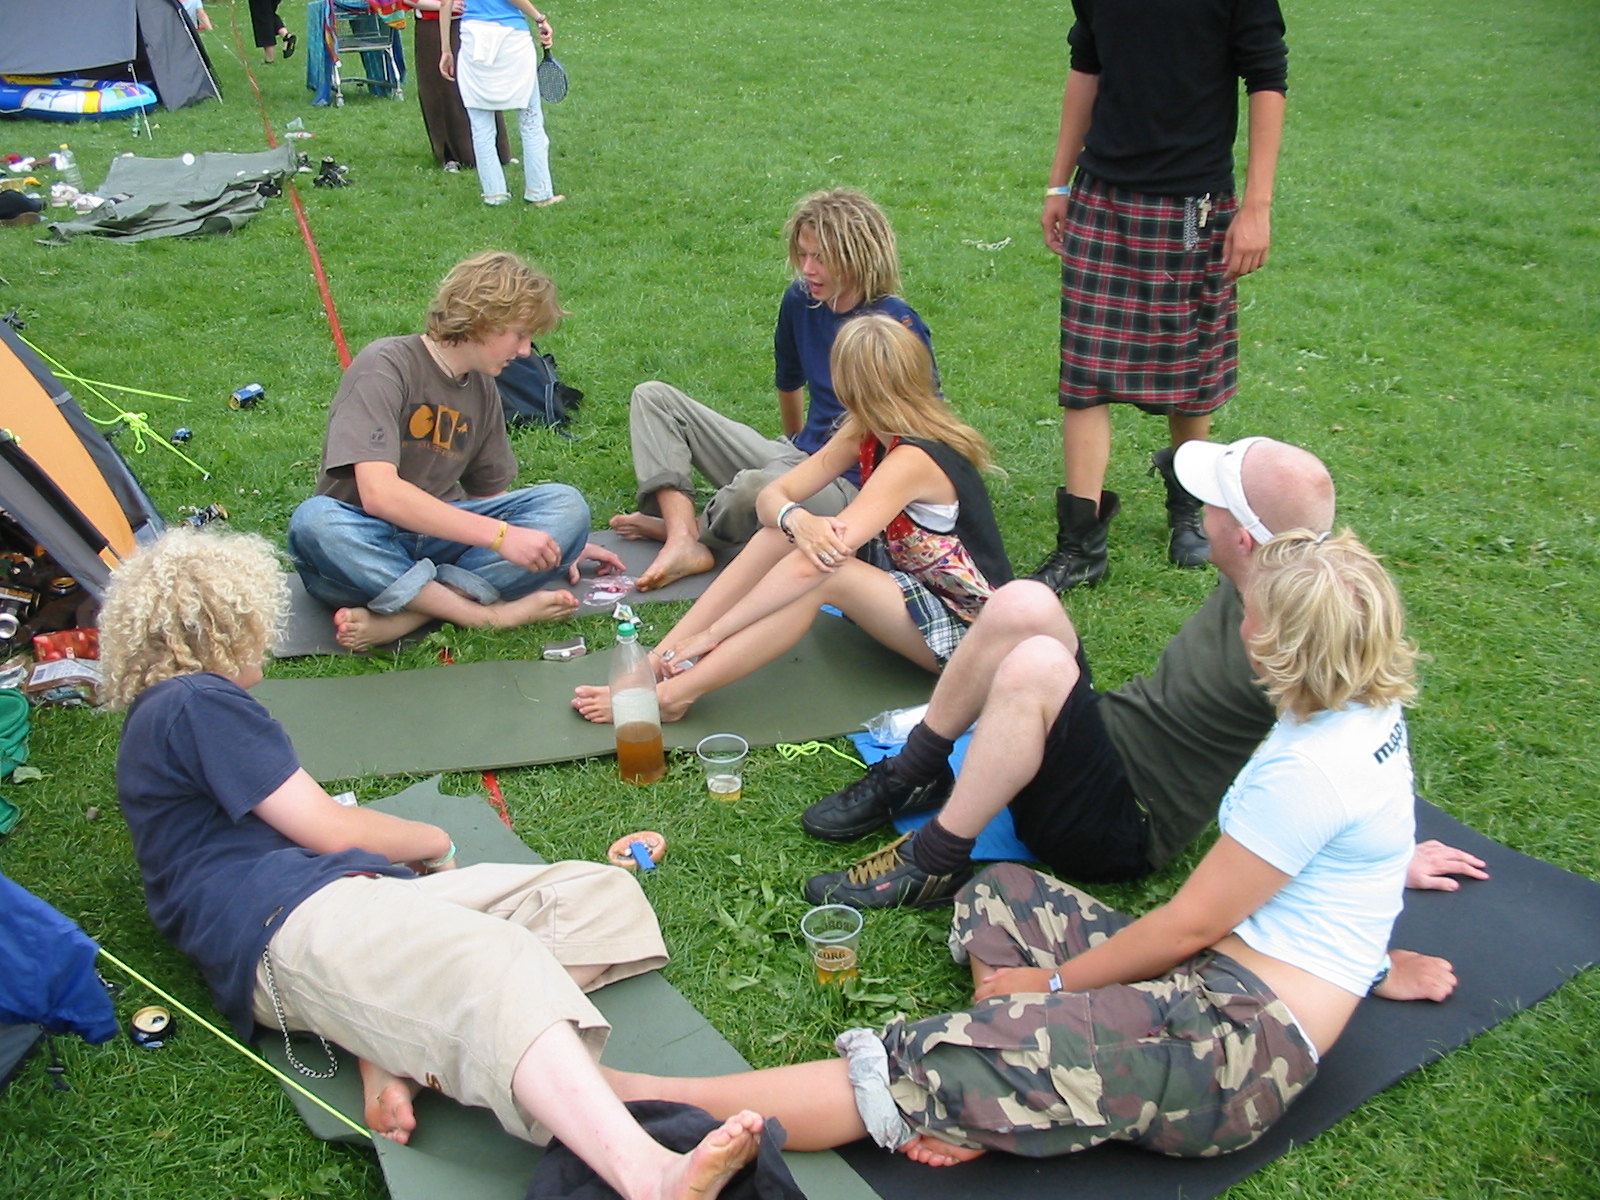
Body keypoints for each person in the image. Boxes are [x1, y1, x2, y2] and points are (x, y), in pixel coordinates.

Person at [603, 531, 1457, 1165]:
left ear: (1282, 640)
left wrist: (1050, 987)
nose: (1242, 615)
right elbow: (1342, 866)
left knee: (922, 1060)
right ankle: (1011, 1085)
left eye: (1257, 608)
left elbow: (1183, 929)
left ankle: (649, 1101)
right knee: (1000, 890)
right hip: (1225, 977)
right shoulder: (1366, 707)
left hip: (1232, 1052)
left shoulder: (1306, 770)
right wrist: (1376, 952)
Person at [100, 527, 764, 1200]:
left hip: (338, 899)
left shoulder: (183, 713)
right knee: (493, 958)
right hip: (286, 923)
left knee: (599, 895)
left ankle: (404, 1044)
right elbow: (327, 826)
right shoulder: (195, 701)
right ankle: (649, 1176)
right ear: (228, 628)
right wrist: (431, 841)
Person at [803, 437, 1488, 909]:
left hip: (1118, 826)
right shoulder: (1272, 567)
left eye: (1212, 502)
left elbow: (1350, 751)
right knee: (1024, 604)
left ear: (1243, 537)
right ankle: (914, 771)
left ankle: (935, 858)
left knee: (1038, 663)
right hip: (1106, 744)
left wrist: (1388, 860)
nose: (1197, 511)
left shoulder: (1296, 632)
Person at [573, 313, 1010, 724]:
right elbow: (772, 497)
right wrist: (794, 520)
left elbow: (817, 564)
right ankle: (656, 664)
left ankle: (674, 696)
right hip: (913, 592)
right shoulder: (867, 428)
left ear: (846, 385)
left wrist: (714, 634)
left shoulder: (913, 459)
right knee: (778, 536)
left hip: (971, 637)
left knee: (824, 574)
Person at [1029, 0, 1288, 592]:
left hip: (1194, 201)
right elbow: (1086, 67)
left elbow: (1267, 79)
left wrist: (1257, 206)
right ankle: (1080, 545)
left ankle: (1187, 509)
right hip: (1102, 193)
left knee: (1189, 369)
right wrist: (1058, 183)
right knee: (1085, 370)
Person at [287, 251, 622, 652]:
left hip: (440, 540)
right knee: (314, 520)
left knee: (567, 505)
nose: (525, 351)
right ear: (484, 320)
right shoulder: (385, 365)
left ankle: (413, 614)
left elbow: (489, 498)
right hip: (362, 552)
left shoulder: (483, 388)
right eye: (519, 335)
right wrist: (503, 537)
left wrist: (556, 543)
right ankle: (481, 615)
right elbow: (379, 495)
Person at [609, 189, 935, 592]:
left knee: (755, 487)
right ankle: (683, 535)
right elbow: (789, 378)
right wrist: (792, 446)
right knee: (654, 397)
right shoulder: (801, 299)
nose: (808, 269)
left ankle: (690, 531)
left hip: (852, 486)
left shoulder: (896, 326)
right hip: (802, 457)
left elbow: (923, 431)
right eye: (803, 255)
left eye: (821, 258)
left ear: (858, 258)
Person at [440, 0, 562, 206]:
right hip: (511, 37)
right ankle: (540, 192)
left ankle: (494, 194)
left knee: (481, 127)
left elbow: (445, 3)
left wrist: (445, 49)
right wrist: (540, 18)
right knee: (530, 121)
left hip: (472, 36)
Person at [408, 0, 510, 172]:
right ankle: (449, 155)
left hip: (471, 21)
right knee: (442, 88)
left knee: (480, 84)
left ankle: (497, 149)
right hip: (433, 25)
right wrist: (443, 6)